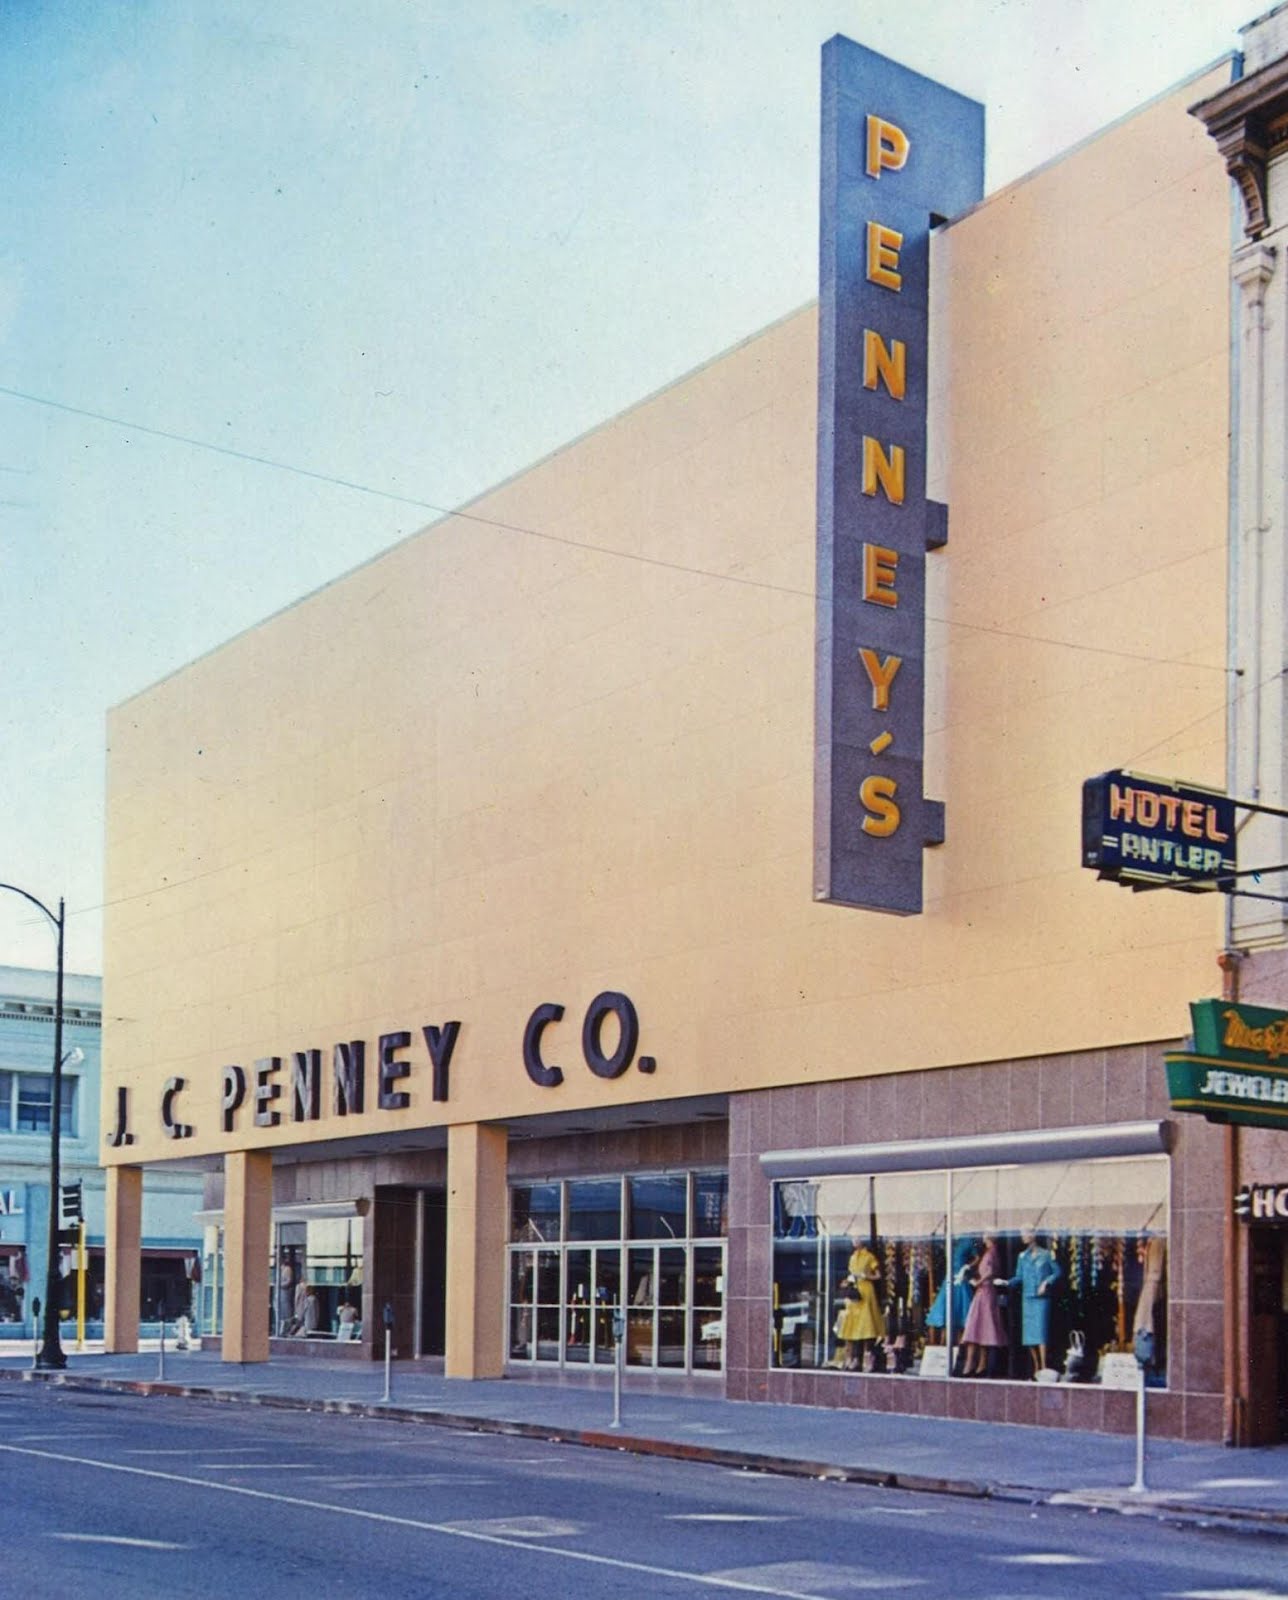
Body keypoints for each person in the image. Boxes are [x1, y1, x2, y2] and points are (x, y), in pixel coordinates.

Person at [1001, 1228, 1061, 1377]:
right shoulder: (1022, 1256)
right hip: (1027, 1298)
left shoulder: (1046, 1254)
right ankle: (1036, 1367)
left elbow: (1057, 1272)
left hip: (1041, 1299)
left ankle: (1044, 1367)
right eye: (1021, 1234)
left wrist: (1046, 1282)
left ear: (1033, 1235)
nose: (1023, 1237)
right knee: (1029, 1336)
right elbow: (1019, 1277)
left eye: (1025, 1233)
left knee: (1041, 1334)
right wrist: (1006, 1282)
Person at [833, 1238, 885, 1371]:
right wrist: (847, 1281)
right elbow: (851, 1274)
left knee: (866, 1324)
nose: (854, 1242)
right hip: (854, 1291)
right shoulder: (852, 1257)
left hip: (866, 1291)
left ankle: (867, 1356)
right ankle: (852, 1357)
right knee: (851, 1324)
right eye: (853, 1239)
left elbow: (878, 1275)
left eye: (857, 1239)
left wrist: (867, 1276)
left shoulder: (869, 1256)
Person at [959, 1232, 1007, 1376]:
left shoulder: (991, 1253)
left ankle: (971, 1364)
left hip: (984, 1292)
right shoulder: (991, 1252)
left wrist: (978, 1282)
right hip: (985, 1292)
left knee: (975, 1325)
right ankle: (981, 1364)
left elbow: (991, 1271)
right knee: (980, 1327)